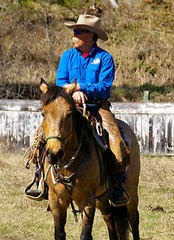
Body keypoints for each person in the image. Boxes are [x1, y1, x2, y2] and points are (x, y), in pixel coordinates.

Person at [26, 14, 129, 206]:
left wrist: (82, 89)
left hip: (97, 107)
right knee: (42, 137)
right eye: (75, 31)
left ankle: (117, 185)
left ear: (90, 35)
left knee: (115, 138)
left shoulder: (104, 58)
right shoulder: (68, 56)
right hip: (68, 106)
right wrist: (70, 93)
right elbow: (60, 82)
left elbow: (105, 87)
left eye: (78, 31)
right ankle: (40, 178)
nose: (74, 34)